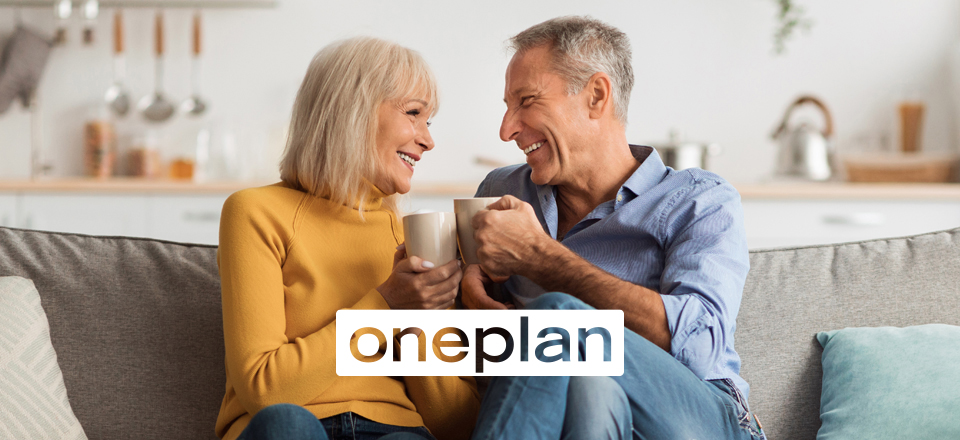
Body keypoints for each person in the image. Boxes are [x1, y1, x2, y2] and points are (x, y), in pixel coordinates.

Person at [462, 16, 765, 440]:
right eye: (507, 108)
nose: (506, 128)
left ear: (596, 96)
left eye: (526, 101)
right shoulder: (501, 191)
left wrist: (543, 260)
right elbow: (460, 347)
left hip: (700, 417)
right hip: (588, 417)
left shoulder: (699, 201)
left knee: (559, 320)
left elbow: (698, 349)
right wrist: (459, 297)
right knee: (589, 387)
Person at [216, 37, 479, 440]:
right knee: (288, 424)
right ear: (352, 112)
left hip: (394, 428)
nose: (428, 140)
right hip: (291, 426)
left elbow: (454, 424)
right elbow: (265, 391)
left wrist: (417, 322)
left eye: (429, 122)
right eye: (414, 114)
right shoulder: (255, 211)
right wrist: (385, 304)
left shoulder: (414, 237)